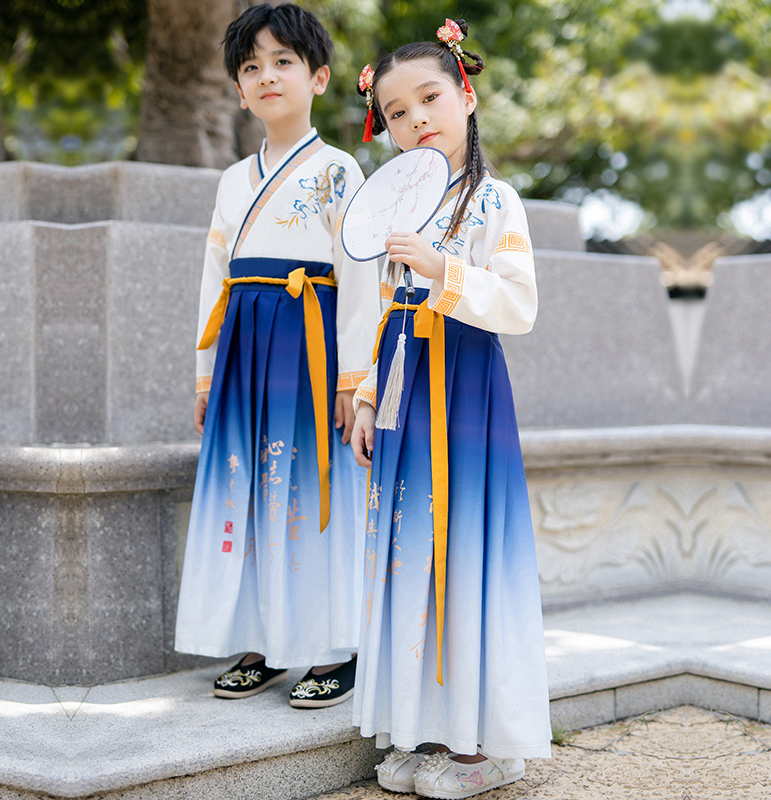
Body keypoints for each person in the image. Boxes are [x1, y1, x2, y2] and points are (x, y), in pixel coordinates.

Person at [350, 18, 551, 798]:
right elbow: (384, 315)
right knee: (408, 553)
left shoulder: (495, 201)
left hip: (465, 388)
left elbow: (521, 306)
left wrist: (443, 270)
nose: (416, 119)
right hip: (405, 392)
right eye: (396, 112)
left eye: (430, 96)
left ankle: (486, 746)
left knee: (463, 550)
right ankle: (421, 729)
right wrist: (367, 398)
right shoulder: (392, 212)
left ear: (466, 94)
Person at [174, 2, 380, 710]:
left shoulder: (340, 170)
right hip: (244, 351)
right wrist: (206, 374)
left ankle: (331, 647)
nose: (267, 77)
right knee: (250, 491)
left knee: (311, 494)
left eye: (284, 62)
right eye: (251, 67)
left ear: (319, 77)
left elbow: (359, 280)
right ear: (237, 88)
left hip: (310, 347)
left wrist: (359, 382)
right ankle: (265, 641)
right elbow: (215, 281)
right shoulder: (235, 179)